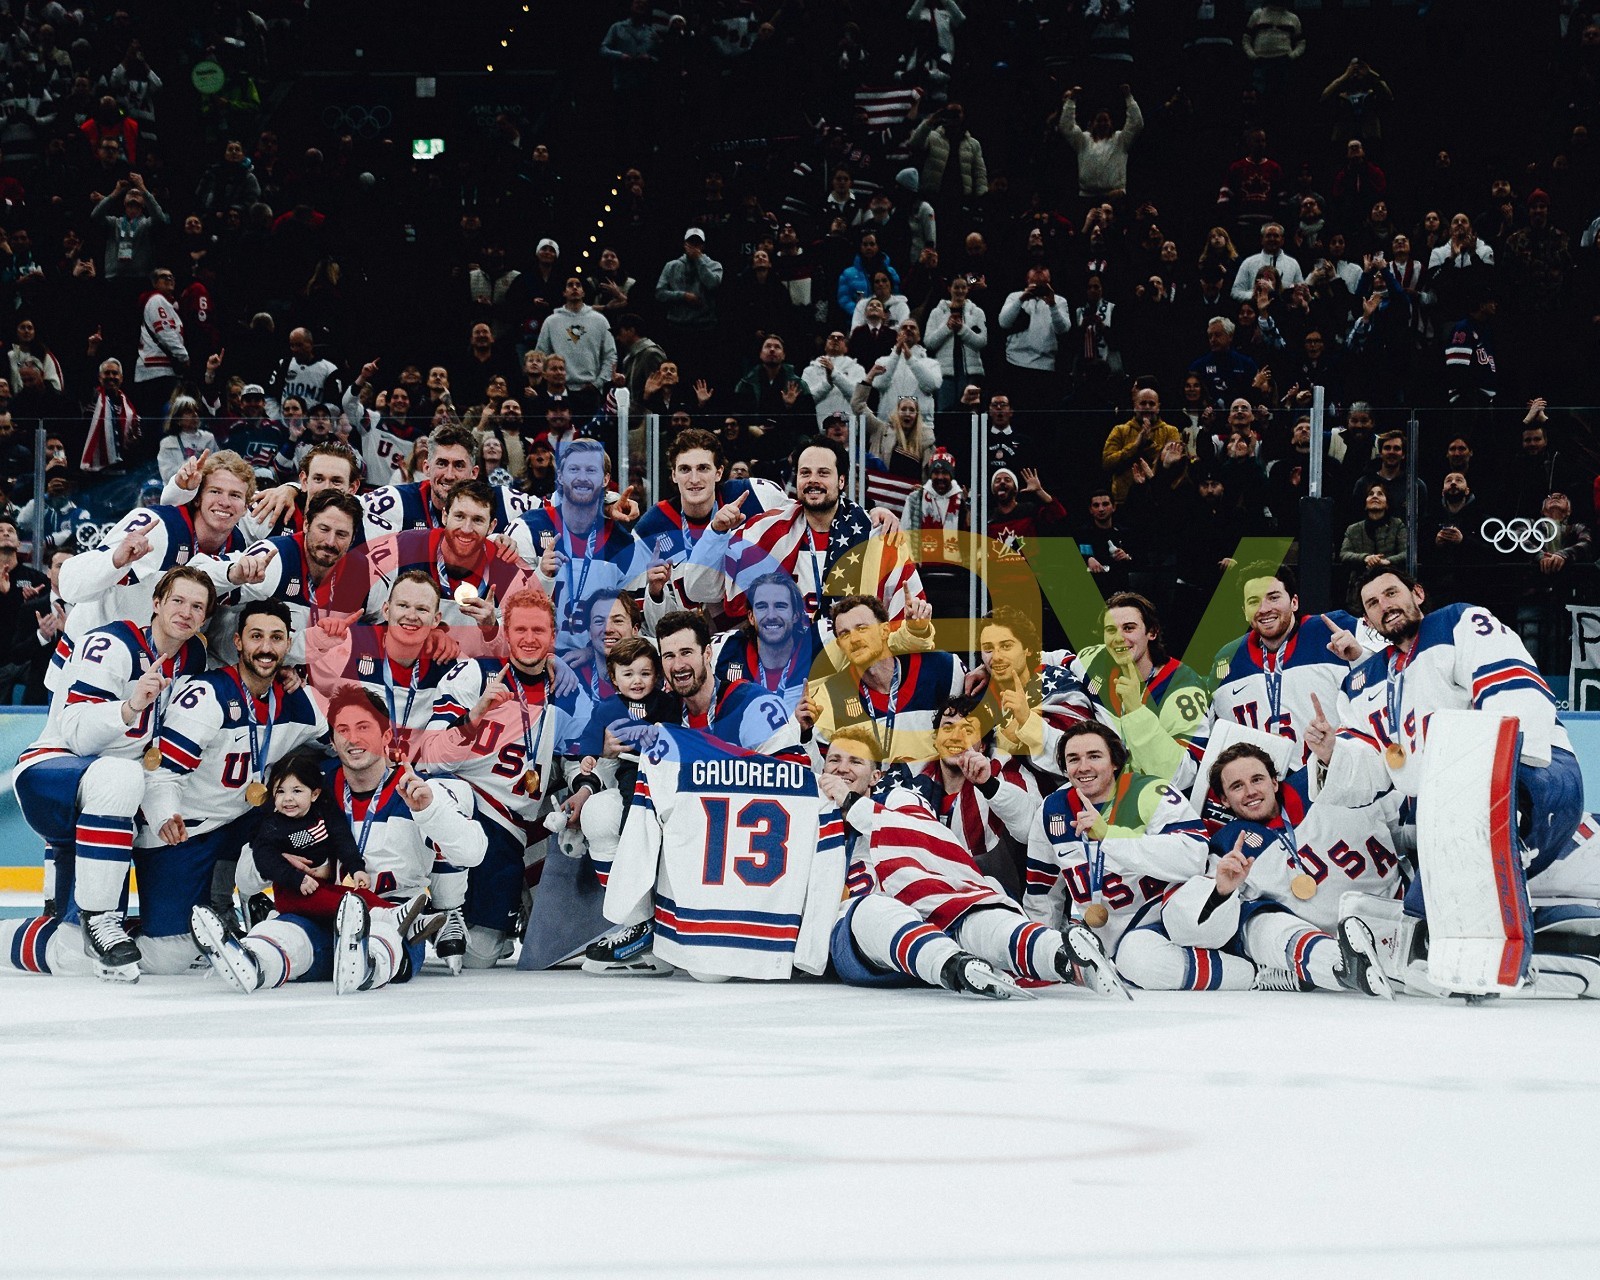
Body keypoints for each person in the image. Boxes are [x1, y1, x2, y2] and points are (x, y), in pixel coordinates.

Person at [1308, 566, 1585, 936]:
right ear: (1368, 620)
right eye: (1372, 603)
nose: (1384, 606)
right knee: (1428, 918)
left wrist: (1488, 779)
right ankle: (1567, 942)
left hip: (1532, 775)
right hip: (1450, 810)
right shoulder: (1361, 684)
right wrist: (1330, 753)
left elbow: (1511, 692)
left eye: (1392, 593)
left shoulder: (1457, 623)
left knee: (1453, 901)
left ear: (1417, 594)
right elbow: (1372, 769)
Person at [192, 686, 485, 993]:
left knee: (386, 942)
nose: (353, 738)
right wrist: (274, 861)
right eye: (342, 730)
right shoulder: (304, 790)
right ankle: (252, 963)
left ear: (387, 736)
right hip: (316, 910)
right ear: (332, 741)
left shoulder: (417, 789)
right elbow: (246, 880)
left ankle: (366, 963)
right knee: (280, 934)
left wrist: (430, 811)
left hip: (390, 915)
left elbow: (472, 853)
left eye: (364, 727)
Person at [7, 567, 213, 980]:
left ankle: (62, 934)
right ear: (155, 604)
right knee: (121, 776)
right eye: (177, 601)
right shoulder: (113, 642)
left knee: (77, 959)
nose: (186, 613)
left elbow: (156, 755)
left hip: (113, 796)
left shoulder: (192, 658)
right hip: (51, 771)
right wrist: (130, 707)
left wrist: (162, 812)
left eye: (197, 607)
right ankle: (101, 918)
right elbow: (77, 732)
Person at [821, 728, 1122, 1000]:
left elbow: (916, 833)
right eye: (834, 760)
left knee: (978, 917)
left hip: (937, 914)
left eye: (855, 761)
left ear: (876, 777)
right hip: (872, 949)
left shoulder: (900, 799)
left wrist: (850, 802)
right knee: (871, 908)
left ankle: (1066, 959)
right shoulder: (805, 814)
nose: (842, 768)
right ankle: (958, 969)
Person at [134, 600, 329, 973]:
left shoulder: (296, 700)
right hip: (188, 828)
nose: (266, 648)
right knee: (168, 957)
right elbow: (162, 773)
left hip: (243, 821)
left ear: (288, 645)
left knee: (327, 783)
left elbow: (339, 750)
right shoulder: (208, 696)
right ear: (238, 642)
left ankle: (273, 903)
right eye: (256, 637)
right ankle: (131, 929)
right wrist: (163, 815)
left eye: (276, 638)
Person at [1156, 743, 1396, 996]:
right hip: (1326, 941)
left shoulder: (1323, 785)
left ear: (1274, 781)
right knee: (1254, 922)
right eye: (1237, 786)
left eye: (1257, 779)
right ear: (1224, 800)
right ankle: (1341, 965)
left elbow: (1399, 825)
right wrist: (1222, 891)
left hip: (1390, 911)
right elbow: (1195, 929)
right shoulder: (1228, 847)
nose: (1250, 791)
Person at [1023, 721, 1211, 990]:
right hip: (1105, 942)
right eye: (1073, 759)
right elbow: (1042, 892)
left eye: (1094, 756)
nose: (1083, 767)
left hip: (1166, 922)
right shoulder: (1052, 810)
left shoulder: (1150, 792)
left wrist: (1110, 836)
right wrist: (1043, 955)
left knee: (1139, 961)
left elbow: (1194, 856)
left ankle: (1250, 973)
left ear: (1115, 761)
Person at [58, 450, 255, 642]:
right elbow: (70, 586)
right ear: (197, 498)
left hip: (154, 665)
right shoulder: (156, 525)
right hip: (88, 656)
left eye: (235, 495)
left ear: (246, 506)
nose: (224, 502)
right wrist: (114, 561)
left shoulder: (237, 548)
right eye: (215, 491)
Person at [1207, 566, 1367, 771]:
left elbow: (1390, 675)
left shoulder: (1334, 630)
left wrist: (1360, 657)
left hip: (1340, 776)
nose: (1264, 609)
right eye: (1253, 601)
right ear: (1245, 612)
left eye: (1273, 597)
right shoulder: (1226, 660)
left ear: (1294, 602)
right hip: (1268, 792)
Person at [809, 594, 953, 762]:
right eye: (845, 634)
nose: (854, 639)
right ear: (840, 645)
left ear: (885, 631)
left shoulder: (942, 668)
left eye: (862, 628)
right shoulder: (828, 699)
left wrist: (984, 671)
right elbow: (819, 767)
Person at [996, 267, 1072, 412]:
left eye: (1042, 284)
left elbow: (1063, 329)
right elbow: (1003, 322)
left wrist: (1052, 304)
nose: (1038, 288)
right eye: (1034, 284)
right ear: (1027, 281)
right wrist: (1022, 299)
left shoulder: (1060, 301)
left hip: (1045, 367)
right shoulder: (1014, 296)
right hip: (1016, 364)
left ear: (1049, 283)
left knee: (1042, 416)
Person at [534, 276, 617, 398]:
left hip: (591, 389)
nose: (574, 287)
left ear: (583, 292)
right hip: (559, 389)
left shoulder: (600, 320)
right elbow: (541, 355)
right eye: (570, 285)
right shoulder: (551, 321)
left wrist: (598, 384)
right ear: (564, 292)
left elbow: (610, 355)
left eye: (578, 285)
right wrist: (551, 382)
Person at [1058, 85, 1143, 202]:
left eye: (1105, 120)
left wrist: (1128, 97)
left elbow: (1136, 123)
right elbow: (1066, 126)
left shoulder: (1120, 139)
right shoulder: (1083, 140)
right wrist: (1071, 100)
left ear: (1111, 123)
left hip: (1114, 196)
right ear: (1093, 123)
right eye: (1099, 120)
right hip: (1087, 197)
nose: (1102, 123)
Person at [1101, 385, 1183, 504]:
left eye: (1151, 404)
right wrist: (1135, 446)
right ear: (1135, 406)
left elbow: (1174, 464)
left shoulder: (1171, 431)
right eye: (1143, 403)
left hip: (1159, 498)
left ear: (1158, 407)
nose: (1147, 407)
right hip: (1123, 499)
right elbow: (1107, 463)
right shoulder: (1119, 430)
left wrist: (1149, 444)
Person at [924, 277, 987, 410]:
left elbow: (982, 342)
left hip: (970, 372)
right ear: (949, 289)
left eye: (963, 287)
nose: (960, 291)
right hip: (945, 373)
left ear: (968, 289)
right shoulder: (936, 313)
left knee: (968, 413)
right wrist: (947, 328)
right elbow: (929, 343)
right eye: (956, 287)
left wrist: (962, 330)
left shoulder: (977, 312)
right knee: (945, 412)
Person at [133, 266, 187, 421]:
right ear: (155, 283)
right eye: (164, 277)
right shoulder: (157, 300)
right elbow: (166, 333)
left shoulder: (168, 304)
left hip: (160, 372)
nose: (169, 279)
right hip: (157, 373)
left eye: (171, 277)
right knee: (165, 420)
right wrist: (183, 356)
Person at [1339, 483, 1407, 600]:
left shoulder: (1398, 525)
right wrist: (1366, 558)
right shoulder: (1353, 529)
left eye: (1380, 494)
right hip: (1359, 589)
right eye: (1371, 494)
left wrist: (1387, 561)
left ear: (1387, 504)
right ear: (1365, 504)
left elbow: (1407, 553)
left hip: (1392, 583)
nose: (1375, 496)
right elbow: (1344, 555)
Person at [155, 396, 218, 483]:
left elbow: (217, 466)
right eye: (189, 412)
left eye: (196, 411)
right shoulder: (168, 443)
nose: (195, 414)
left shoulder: (208, 438)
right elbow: (166, 475)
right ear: (178, 420)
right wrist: (188, 466)